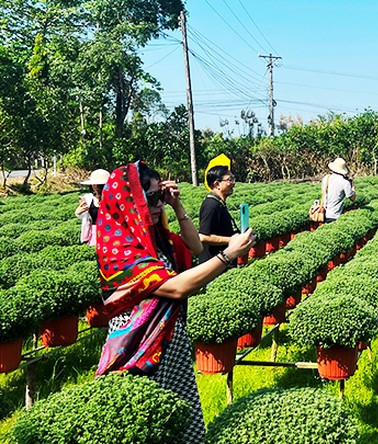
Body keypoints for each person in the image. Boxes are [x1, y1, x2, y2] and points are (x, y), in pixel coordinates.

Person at [95, 161, 255, 443]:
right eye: (153, 198)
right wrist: (228, 255)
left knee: (181, 424)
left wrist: (176, 206)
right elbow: (176, 288)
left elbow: (194, 247)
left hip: (171, 351)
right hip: (140, 357)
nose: (159, 204)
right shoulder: (120, 250)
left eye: (161, 197)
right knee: (148, 427)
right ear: (133, 202)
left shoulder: (153, 239)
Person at [198, 165, 239, 265]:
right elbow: (203, 236)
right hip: (213, 263)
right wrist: (231, 240)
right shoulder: (211, 205)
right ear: (217, 184)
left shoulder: (219, 203)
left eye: (233, 178)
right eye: (229, 180)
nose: (233, 183)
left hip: (222, 260)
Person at [75, 169, 110, 246]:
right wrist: (78, 212)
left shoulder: (114, 198)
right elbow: (84, 216)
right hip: (94, 234)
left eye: (99, 185)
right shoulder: (89, 198)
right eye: (94, 184)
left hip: (111, 233)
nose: (95, 186)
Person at [323, 157, 355, 223]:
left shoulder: (326, 178)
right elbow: (352, 198)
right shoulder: (345, 182)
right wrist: (352, 186)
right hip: (335, 216)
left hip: (324, 213)